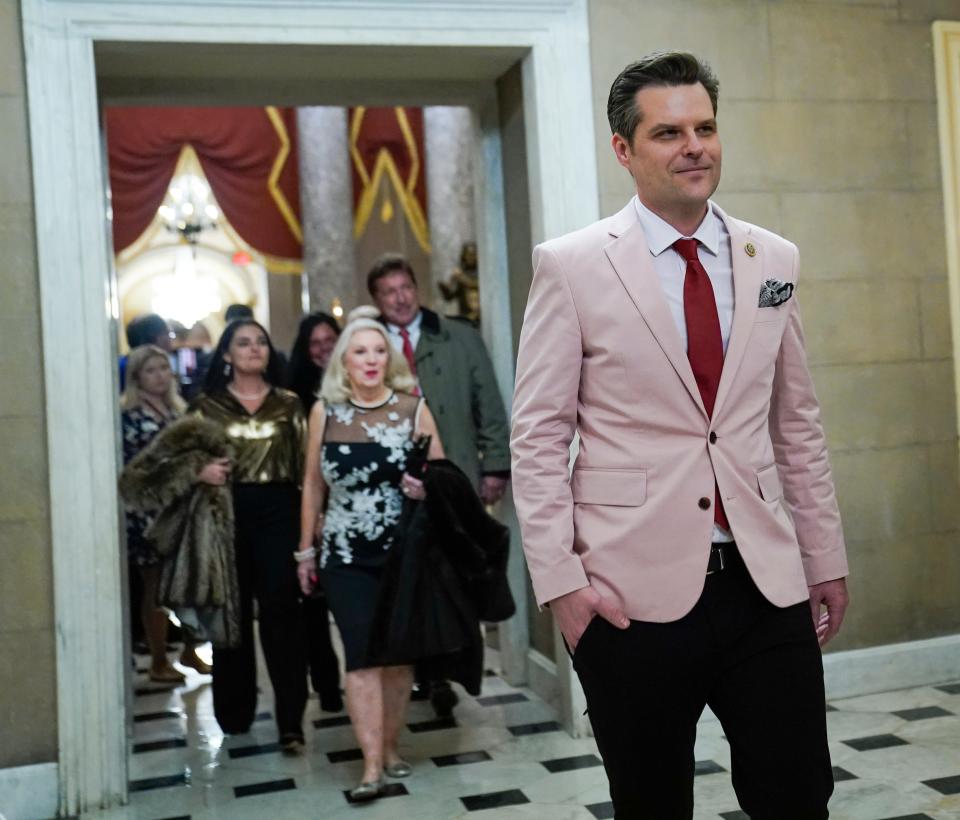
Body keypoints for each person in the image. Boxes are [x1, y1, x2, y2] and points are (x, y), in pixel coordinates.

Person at [511, 52, 849, 820]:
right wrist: (563, 587)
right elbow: (536, 438)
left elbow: (795, 420)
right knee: (653, 803)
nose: (694, 145)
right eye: (669, 132)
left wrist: (823, 557)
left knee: (798, 797)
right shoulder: (570, 266)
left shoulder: (774, 260)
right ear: (624, 150)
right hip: (630, 597)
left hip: (766, 586)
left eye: (705, 127)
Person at [296, 317, 444, 801]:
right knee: (360, 656)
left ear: (390, 358)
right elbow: (313, 486)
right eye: (360, 352)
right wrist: (305, 551)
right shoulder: (325, 412)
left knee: (398, 658)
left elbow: (444, 478)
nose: (371, 361)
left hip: (403, 551)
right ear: (344, 361)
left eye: (378, 351)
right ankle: (371, 766)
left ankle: (392, 745)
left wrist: (426, 485)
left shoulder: (413, 408)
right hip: (343, 551)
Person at [368, 253, 510, 716]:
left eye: (404, 287)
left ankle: (452, 671)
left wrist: (495, 467)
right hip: (396, 486)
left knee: (455, 574)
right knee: (412, 578)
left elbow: (488, 404)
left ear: (416, 287)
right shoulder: (370, 347)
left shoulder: (460, 337)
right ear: (376, 300)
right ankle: (422, 672)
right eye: (388, 292)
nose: (399, 298)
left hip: (455, 477)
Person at [191, 319, 308, 752]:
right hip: (226, 513)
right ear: (226, 354)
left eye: (261, 341)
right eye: (243, 343)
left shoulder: (290, 404)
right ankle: (234, 715)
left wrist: (308, 530)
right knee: (232, 617)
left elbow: (305, 470)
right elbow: (171, 460)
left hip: (280, 511)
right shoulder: (206, 406)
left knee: (283, 617)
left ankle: (291, 723)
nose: (254, 348)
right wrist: (198, 470)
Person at [120, 345, 211, 682]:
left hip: (183, 507)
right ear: (137, 377)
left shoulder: (179, 412)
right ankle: (159, 658)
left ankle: (190, 649)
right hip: (149, 513)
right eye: (151, 370)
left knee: (187, 583)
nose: (160, 375)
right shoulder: (128, 417)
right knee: (156, 587)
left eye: (163, 368)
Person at [286, 311, 344, 712]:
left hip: (349, 510)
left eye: (330, 340)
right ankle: (326, 685)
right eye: (315, 344)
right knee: (313, 605)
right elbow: (301, 468)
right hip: (307, 508)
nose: (324, 349)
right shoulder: (295, 398)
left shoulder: (359, 385)